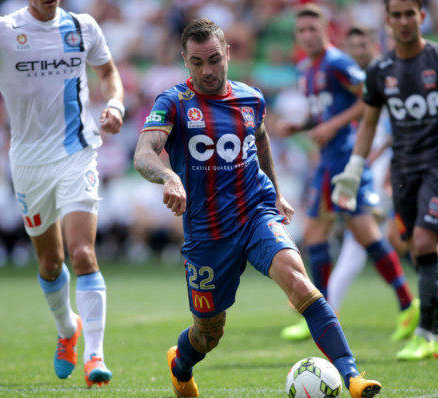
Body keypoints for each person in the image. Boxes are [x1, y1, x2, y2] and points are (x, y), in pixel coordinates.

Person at [133, 17, 381, 398]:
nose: (208, 70)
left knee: (299, 281)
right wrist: (168, 176)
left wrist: (277, 193)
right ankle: (179, 365)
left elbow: (261, 140)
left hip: (254, 212)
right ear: (185, 60)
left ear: (228, 53)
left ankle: (352, 377)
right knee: (208, 333)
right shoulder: (174, 102)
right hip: (207, 232)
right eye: (197, 62)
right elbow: (144, 152)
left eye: (214, 59)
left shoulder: (251, 98)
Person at [0, 0, 125, 387]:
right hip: (28, 164)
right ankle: (68, 331)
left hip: (76, 152)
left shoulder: (83, 27)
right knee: (50, 262)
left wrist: (115, 103)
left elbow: (109, 72)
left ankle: (95, 355)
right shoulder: (1, 29)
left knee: (83, 253)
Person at [333, 0, 438, 361]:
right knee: (408, 242)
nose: (403, 21)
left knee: (425, 241)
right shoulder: (381, 70)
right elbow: (367, 123)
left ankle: (429, 331)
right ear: (388, 20)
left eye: (410, 13)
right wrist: (354, 169)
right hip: (403, 171)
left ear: (422, 17)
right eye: (396, 14)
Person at [277, 4, 417, 343]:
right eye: (302, 31)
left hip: (346, 159)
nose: (308, 36)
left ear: (327, 31)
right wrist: (303, 125)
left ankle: (404, 306)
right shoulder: (305, 69)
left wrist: (333, 125)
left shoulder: (338, 62)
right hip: (327, 161)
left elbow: (369, 98)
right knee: (319, 236)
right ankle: (324, 312)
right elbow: (326, 111)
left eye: (314, 29)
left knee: (356, 235)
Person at [328, 26, 438, 331]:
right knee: (382, 240)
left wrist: (381, 162)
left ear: (374, 44)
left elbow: (402, 130)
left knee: (417, 237)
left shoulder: (392, 75)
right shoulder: (362, 79)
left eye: (363, 44)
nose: (357, 50)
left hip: (394, 172)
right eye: (352, 45)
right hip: (370, 172)